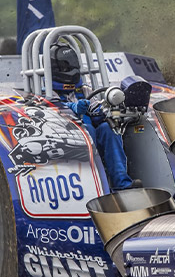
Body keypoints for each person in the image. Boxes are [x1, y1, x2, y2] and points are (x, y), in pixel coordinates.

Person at [49, 43, 139, 191]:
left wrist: (100, 111)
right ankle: (94, 185)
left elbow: (96, 109)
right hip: (65, 138)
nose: (71, 70)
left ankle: (120, 183)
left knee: (108, 129)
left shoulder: (83, 90)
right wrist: (72, 108)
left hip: (89, 133)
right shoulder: (48, 93)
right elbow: (51, 111)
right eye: (67, 66)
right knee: (88, 129)